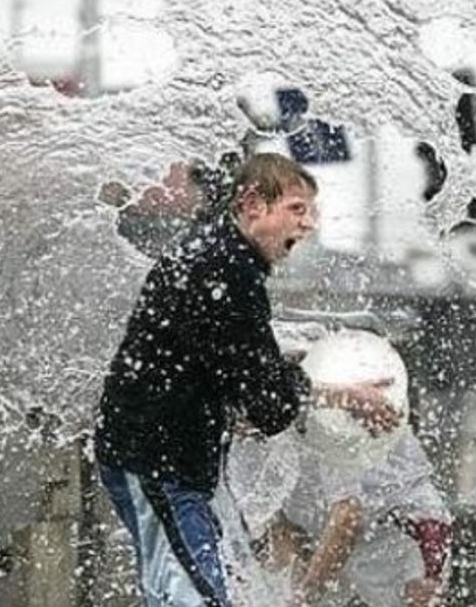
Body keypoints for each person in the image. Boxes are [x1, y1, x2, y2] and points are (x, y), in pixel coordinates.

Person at [94, 152, 401, 607]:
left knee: (207, 589)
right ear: (253, 204)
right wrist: (342, 395)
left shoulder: (218, 258)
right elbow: (269, 402)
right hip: (156, 462)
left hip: (171, 462)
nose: (310, 223)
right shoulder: (224, 271)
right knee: (195, 598)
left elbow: (225, 368)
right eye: (297, 208)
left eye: (312, 211)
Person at [254, 426, 452, 607]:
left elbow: (348, 519)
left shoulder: (330, 420)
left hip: (398, 527)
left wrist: (302, 599)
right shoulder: (253, 443)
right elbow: (282, 529)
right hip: (324, 528)